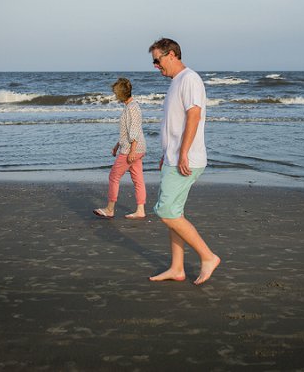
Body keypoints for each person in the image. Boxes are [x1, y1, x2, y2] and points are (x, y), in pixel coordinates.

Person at [147, 38, 220, 285]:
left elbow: (194, 115)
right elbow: (175, 125)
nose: (156, 66)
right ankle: (177, 268)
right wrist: (167, 153)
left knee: (166, 212)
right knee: (174, 213)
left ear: (171, 55)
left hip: (184, 159)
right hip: (174, 157)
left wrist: (183, 154)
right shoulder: (177, 82)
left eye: (157, 60)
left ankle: (208, 257)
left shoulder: (189, 79)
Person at [93, 78, 147, 220]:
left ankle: (110, 209)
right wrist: (117, 145)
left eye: (116, 93)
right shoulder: (130, 106)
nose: (115, 95)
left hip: (131, 149)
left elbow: (134, 130)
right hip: (134, 148)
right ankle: (140, 210)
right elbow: (127, 132)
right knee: (138, 179)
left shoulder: (132, 108)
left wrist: (132, 151)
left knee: (114, 176)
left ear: (121, 94)